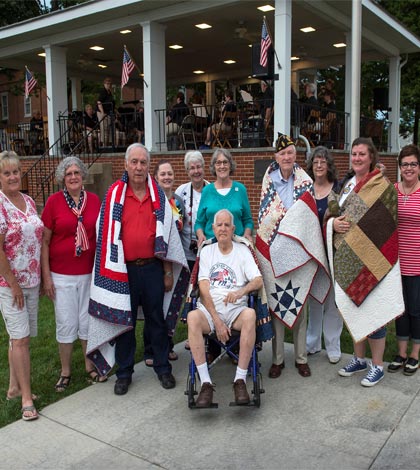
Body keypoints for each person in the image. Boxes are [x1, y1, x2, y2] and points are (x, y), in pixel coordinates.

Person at [87, 143, 189, 395]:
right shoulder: (114, 195)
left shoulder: (158, 196)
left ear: (148, 166)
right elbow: (104, 235)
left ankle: (163, 368)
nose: (138, 167)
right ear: (125, 164)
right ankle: (124, 372)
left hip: (153, 269)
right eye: (134, 162)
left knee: (157, 320)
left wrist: (167, 271)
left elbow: (166, 238)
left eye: (143, 162)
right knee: (126, 322)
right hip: (124, 271)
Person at [326, 137, 404, 387]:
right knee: (353, 309)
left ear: (372, 157)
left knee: (373, 312)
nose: (357, 158)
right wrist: (333, 223)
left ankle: (377, 365)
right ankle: (359, 359)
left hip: (373, 260)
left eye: (362, 154)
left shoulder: (382, 185)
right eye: (354, 154)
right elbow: (335, 211)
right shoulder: (347, 184)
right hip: (348, 260)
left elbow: (386, 222)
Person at [256, 133, 328, 380]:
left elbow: (306, 218)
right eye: (282, 153)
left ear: (296, 156)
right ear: (276, 156)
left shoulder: (305, 182)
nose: (286, 157)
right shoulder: (268, 179)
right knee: (277, 305)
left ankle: (300, 358)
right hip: (274, 252)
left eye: (290, 153)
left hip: (298, 253)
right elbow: (265, 215)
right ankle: (277, 359)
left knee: (299, 304)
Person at [187, 209, 263, 407]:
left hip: (236, 309)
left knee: (250, 315)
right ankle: (205, 383)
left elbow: (258, 280)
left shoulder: (243, 251)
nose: (222, 229)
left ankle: (240, 380)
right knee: (193, 318)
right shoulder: (206, 252)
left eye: (226, 225)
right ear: (213, 228)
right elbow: (203, 288)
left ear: (233, 229)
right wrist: (217, 321)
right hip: (211, 311)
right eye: (219, 225)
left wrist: (240, 292)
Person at [41, 156, 103, 392]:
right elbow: (45, 242)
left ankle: (89, 365)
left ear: (83, 176)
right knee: (66, 322)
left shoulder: (94, 201)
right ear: (62, 179)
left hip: (89, 273)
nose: (74, 177)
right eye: (69, 174)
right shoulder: (54, 203)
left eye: (77, 172)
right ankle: (65, 371)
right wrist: (47, 277)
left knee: (87, 321)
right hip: (61, 275)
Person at [0, 151, 43, 421]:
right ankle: (27, 399)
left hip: (33, 281)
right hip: (10, 284)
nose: (13, 176)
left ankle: (14, 387)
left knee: (18, 338)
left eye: (16, 171)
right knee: (22, 340)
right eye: (6, 173)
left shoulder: (28, 201)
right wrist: (14, 284)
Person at [305, 146, 343, 364]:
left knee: (332, 302)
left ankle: (333, 346)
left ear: (329, 166)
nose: (319, 166)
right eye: (315, 162)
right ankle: (312, 343)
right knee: (314, 300)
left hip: (332, 254)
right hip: (312, 255)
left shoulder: (337, 191)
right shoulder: (306, 190)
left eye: (323, 162)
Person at [145, 159, 185, 364]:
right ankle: (150, 349)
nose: (167, 177)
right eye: (163, 174)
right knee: (154, 307)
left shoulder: (178, 201)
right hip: (155, 262)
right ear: (156, 177)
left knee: (172, 307)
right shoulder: (152, 201)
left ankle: (167, 345)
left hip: (176, 262)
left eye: (170, 173)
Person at [388, 144, 420, 376]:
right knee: (399, 310)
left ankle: (414, 354)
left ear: (419, 167)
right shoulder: (392, 190)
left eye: (413, 164)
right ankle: (400, 353)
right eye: (405, 164)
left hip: (417, 263)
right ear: (399, 167)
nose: (408, 168)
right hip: (394, 263)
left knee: (416, 310)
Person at [195, 148, 253, 246]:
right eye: (218, 163)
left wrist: (247, 234)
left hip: (236, 246)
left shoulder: (240, 189)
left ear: (230, 165)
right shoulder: (207, 191)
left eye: (225, 162)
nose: (222, 166)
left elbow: (248, 221)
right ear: (214, 167)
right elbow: (199, 223)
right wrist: (200, 235)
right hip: (211, 246)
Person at [175, 151, 208, 271]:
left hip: (208, 250)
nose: (196, 171)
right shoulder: (181, 191)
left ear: (203, 168)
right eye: (192, 168)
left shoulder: (211, 190)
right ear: (187, 171)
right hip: (186, 251)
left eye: (199, 167)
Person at [96, 77, 115, 146]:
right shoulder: (103, 91)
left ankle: (108, 144)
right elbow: (99, 102)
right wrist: (102, 112)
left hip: (108, 113)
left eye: (109, 84)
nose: (108, 85)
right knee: (104, 128)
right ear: (104, 84)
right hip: (102, 113)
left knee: (108, 129)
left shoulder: (109, 92)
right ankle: (104, 145)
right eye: (107, 84)